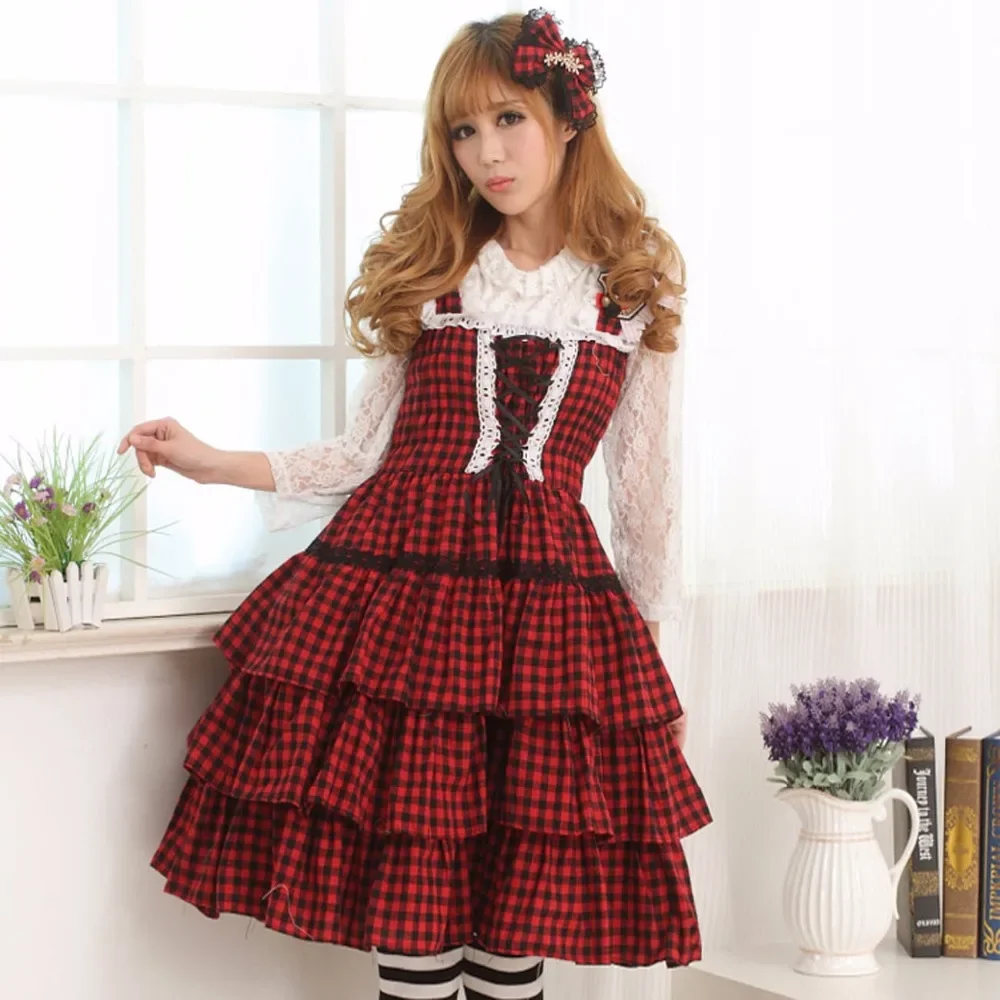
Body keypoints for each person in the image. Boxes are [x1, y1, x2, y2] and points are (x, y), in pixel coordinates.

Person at [119, 9, 711, 999]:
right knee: (416, 902)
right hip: (408, 609)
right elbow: (361, 453)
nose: (486, 153)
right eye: (463, 131)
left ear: (570, 118)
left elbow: (645, 493)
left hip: (547, 618)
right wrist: (210, 462)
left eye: (508, 120)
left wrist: (649, 666)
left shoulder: (632, 287)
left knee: (515, 912)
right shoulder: (436, 270)